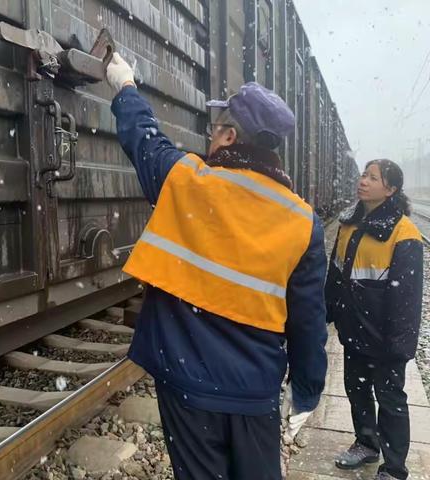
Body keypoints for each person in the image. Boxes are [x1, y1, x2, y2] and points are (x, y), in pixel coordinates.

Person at [106, 53, 328, 480]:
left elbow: (145, 141)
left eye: (214, 129)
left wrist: (125, 87)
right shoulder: (302, 220)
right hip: (255, 390)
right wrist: (306, 390)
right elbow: (308, 319)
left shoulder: (188, 182)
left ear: (228, 136)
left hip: (187, 382)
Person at [325, 159, 424, 480]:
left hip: (384, 335)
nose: (363, 181)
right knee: (356, 389)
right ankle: (366, 444)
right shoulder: (349, 223)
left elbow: (408, 297)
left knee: (391, 399)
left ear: (391, 189)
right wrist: (327, 315)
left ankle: (394, 468)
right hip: (353, 328)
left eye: (373, 177)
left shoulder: (403, 232)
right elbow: (336, 275)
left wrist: (399, 345)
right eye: (363, 175)